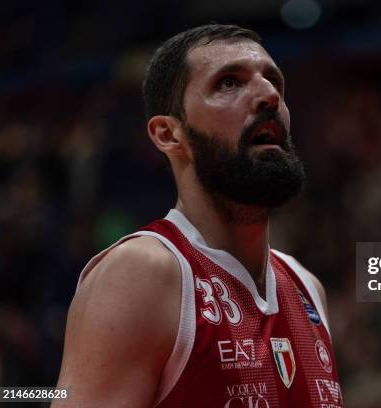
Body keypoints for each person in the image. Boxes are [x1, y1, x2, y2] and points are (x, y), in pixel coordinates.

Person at [54, 24, 343, 407]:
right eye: (228, 83)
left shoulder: (308, 288)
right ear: (169, 135)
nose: (269, 95)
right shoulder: (143, 274)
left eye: (274, 81)